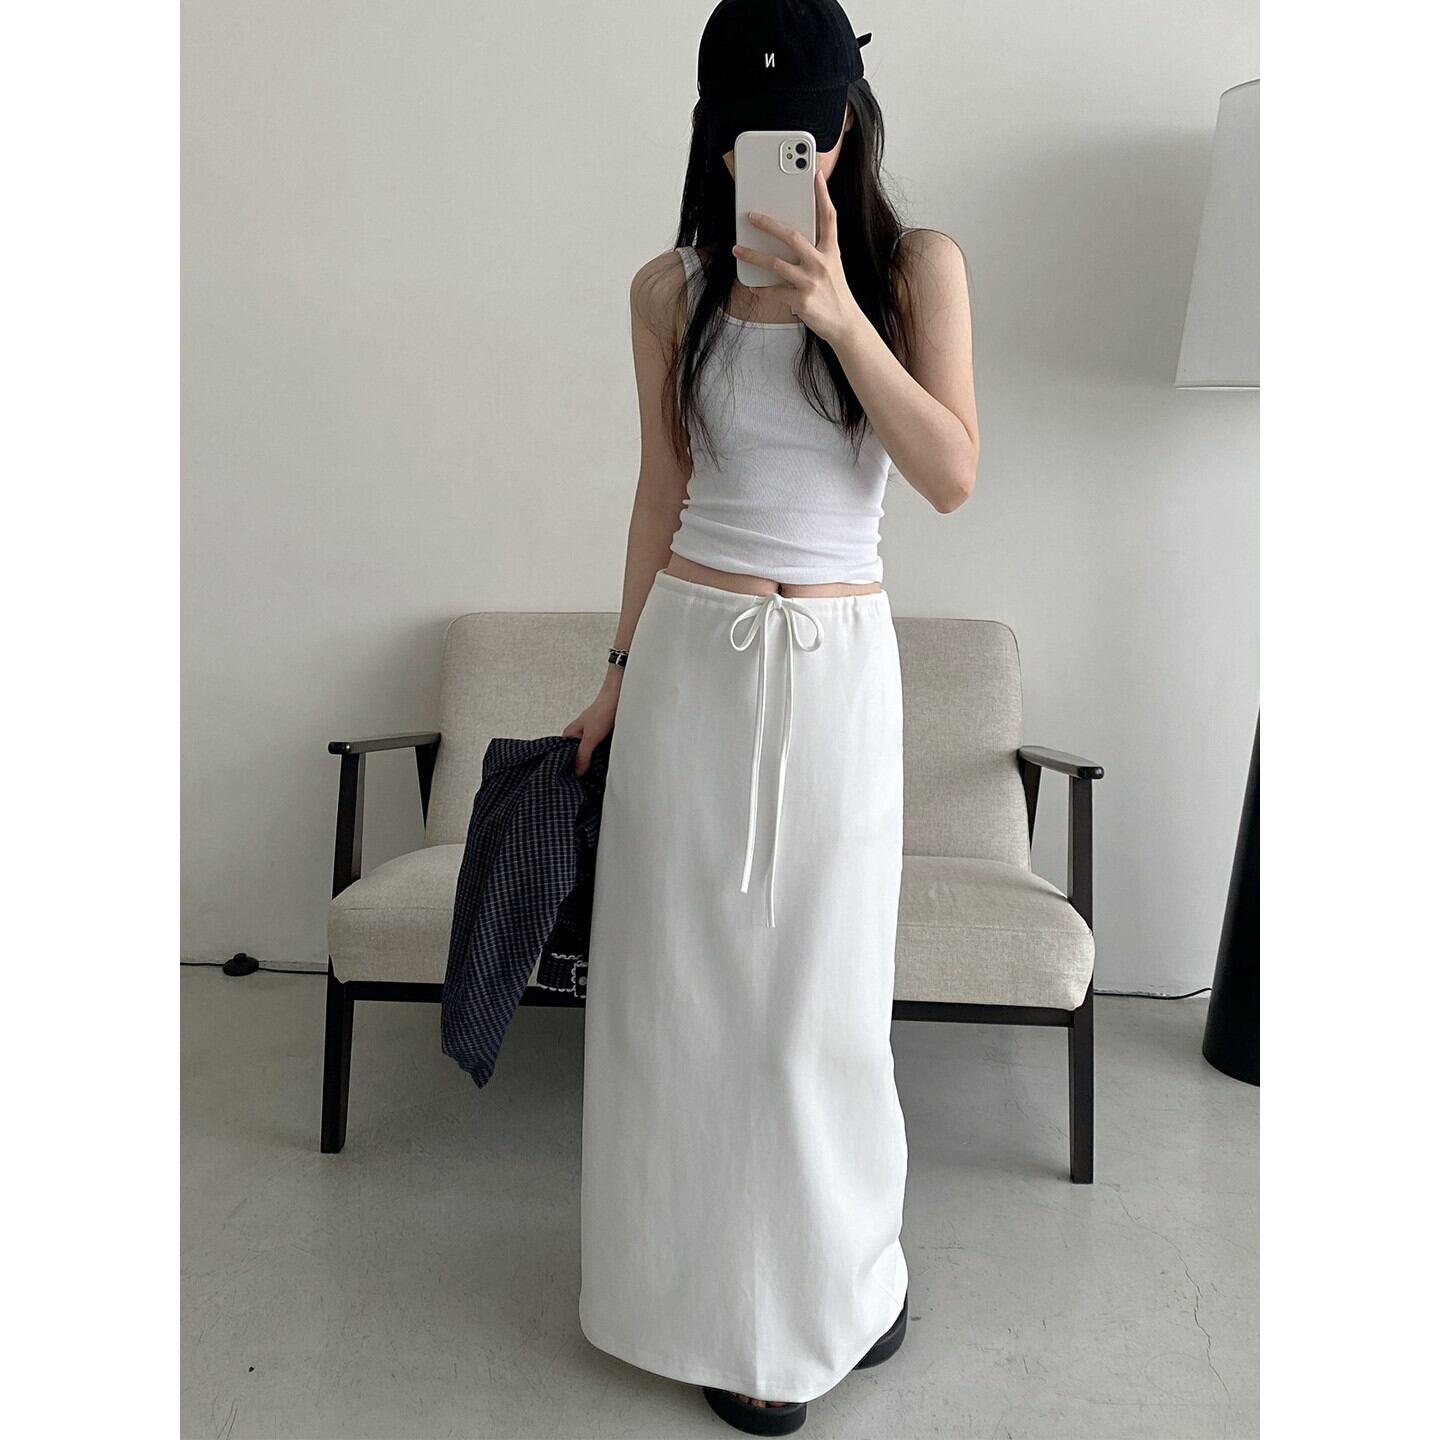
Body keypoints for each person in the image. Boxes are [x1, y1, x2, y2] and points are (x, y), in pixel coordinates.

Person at [567, 1, 978, 1432]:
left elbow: (951, 473)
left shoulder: (916, 270)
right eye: (757, 137)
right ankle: (698, 1308)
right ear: (716, 139)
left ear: (846, 123)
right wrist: (618, 674)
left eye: (808, 132)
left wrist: (841, 316)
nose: (792, 159)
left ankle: (846, 1284)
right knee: (683, 1001)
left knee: (822, 1007)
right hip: (693, 659)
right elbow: (657, 494)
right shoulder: (666, 293)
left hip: (836, 668)